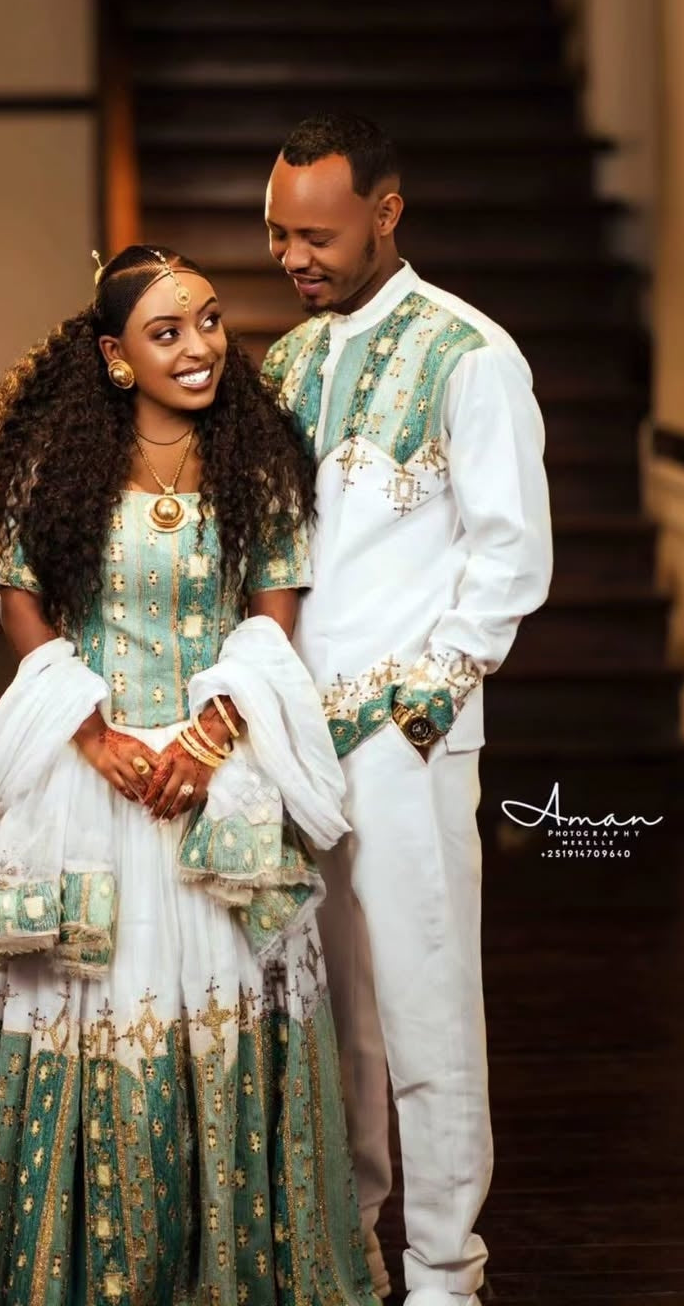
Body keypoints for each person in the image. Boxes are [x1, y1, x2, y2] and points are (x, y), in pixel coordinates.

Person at [0, 244, 380, 1306]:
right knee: (96, 1001)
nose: (199, 346)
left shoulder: (256, 462)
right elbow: (20, 591)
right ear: (117, 359)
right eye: (167, 332)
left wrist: (209, 738)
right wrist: (92, 730)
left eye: (208, 321)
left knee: (225, 1004)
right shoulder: (65, 471)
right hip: (95, 779)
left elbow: (272, 609)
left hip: (217, 768)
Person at [261, 116, 554, 1306]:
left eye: (317, 235)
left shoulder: (470, 355)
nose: (295, 257)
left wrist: (425, 706)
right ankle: (347, 1245)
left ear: (387, 211)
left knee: (427, 1001)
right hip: (292, 740)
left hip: (405, 737)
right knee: (326, 1009)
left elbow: (511, 553)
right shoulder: (283, 364)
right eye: (278, 234)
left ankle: (444, 1270)